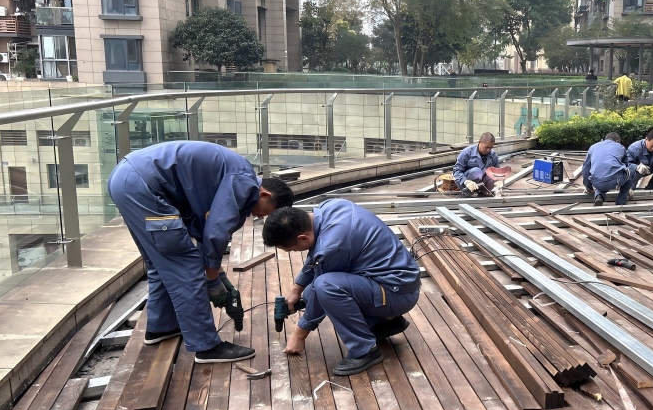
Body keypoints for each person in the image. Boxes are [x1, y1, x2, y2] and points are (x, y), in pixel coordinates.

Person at [107, 141, 294, 363]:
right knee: (186, 267)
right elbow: (216, 230)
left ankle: (162, 327)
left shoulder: (235, 173)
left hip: (128, 179)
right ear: (264, 195)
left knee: (162, 263)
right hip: (143, 185)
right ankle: (206, 346)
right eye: (266, 212)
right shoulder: (244, 182)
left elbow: (202, 226)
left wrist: (218, 273)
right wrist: (212, 279)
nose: (260, 217)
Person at [263, 202, 421, 375]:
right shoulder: (330, 208)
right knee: (309, 294)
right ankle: (384, 323)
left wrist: (299, 335)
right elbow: (317, 258)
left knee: (326, 287)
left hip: (397, 294)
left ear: (303, 238)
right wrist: (297, 290)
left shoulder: (333, 246)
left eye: (291, 249)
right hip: (395, 283)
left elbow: (321, 286)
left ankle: (365, 350)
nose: (292, 252)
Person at [583, 132, 634, 206]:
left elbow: (585, 169)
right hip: (615, 181)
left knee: (602, 176)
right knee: (632, 168)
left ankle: (599, 196)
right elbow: (626, 167)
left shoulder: (593, 147)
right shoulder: (620, 147)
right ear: (617, 141)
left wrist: (589, 187)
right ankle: (621, 200)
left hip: (596, 183)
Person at [453, 132, 502, 197]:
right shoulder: (467, 152)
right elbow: (457, 171)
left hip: (483, 184)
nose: (488, 150)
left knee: (492, 174)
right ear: (480, 142)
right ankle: (468, 193)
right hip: (467, 184)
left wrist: (499, 180)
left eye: (490, 148)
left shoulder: (493, 154)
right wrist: (466, 181)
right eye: (486, 147)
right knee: (476, 172)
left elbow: (497, 171)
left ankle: (485, 192)